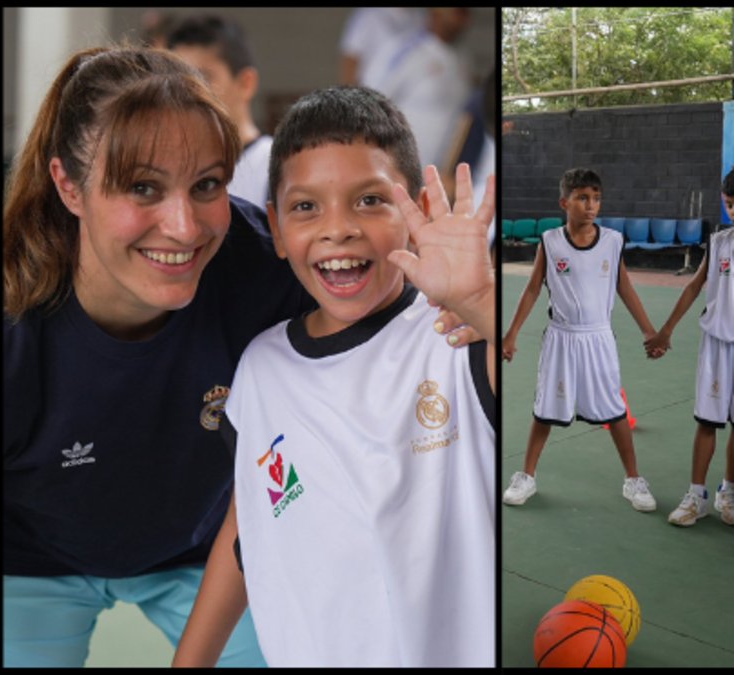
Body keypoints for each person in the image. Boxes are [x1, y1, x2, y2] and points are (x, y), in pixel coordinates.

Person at [2, 45, 312, 667]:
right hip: (33, 562)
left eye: (207, 185)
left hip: (205, 551)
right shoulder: (8, 322)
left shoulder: (259, 264)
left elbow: (405, 330)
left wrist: (461, 299)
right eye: (142, 187)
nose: (184, 226)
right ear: (69, 185)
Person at [173, 87, 497, 667]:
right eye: (306, 207)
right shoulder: (261, 369)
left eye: (370, 200)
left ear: (417, 207)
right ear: (274, 227)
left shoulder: (456, 339)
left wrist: (482, 301)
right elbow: (249, 526)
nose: (338, 229)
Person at [501, 168, 660, 511]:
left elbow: (625, 287)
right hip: (561, 338)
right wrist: (511, 333)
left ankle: (633, 479)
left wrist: (648, 330)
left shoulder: (613, 241)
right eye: (583, 198)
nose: (591, 205)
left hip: (599, 338)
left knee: (615, 411)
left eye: (596, 198)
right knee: (545, 410)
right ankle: (526, 476)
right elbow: (531, 289)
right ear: (565, 202)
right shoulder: (550, 241)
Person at [646, 168, 734, 526]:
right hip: (716, 345)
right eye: (730, 204)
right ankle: (696, 495)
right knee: (707, 421)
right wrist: (665, 330)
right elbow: (694, 287)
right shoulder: (720, 243)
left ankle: (727, 491)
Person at [168, 14, 272, 210]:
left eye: (203, 78)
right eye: (178, 80)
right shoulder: (172, 167)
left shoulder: (274, 165)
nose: (188, 92)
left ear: (245, 83)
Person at [359, 8, 472, 172]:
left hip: (443, 173)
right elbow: (368, 103)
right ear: (437, 13)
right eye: (460, 13)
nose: (465, 22)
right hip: (401, 171)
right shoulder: (405, 51)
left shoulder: (462, 58)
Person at [338, 7, 423, 86]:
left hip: (411, 94)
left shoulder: (419, 16)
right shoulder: (368, 14)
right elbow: (351, 58)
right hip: (376, 92)